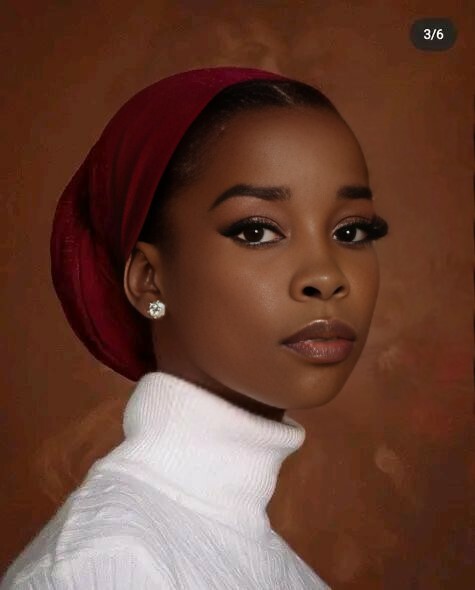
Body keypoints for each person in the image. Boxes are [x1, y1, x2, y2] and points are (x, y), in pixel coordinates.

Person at [1, 66, 389, 589]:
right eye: (257, 231)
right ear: (149, 281)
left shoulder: (262, 557)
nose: (326, 275)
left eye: (352, 230)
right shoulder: (108, 566)